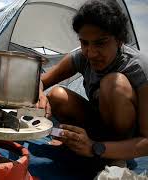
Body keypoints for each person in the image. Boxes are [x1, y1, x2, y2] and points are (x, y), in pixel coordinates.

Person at [37, 0, 148, 166]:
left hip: (124, 141)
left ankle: (113, 156)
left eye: (100, 43)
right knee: (56, 95)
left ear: (119, 40)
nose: (91, 53)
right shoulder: (80, 57)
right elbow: (39, 81)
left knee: (113, 83)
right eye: (84, 43)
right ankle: (74, 142)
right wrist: (39, 96)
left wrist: (94, 148)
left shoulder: (138, 68)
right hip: (96, 128)